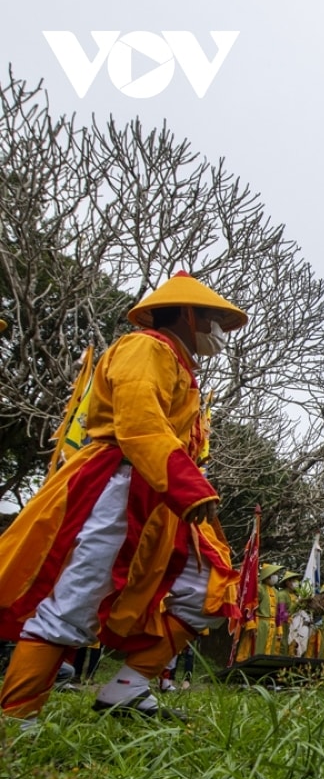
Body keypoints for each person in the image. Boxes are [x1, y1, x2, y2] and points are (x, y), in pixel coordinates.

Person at [0, 271, 245, 722]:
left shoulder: (178, 363)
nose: (218, 332)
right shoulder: (145, 347)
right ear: (190, 316)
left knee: (207, 586)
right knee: (77, 597)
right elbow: (138, 423)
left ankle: (127, 688)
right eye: (212, 319)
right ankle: (18, 718)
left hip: (160, 497)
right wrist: (188, 486)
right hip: (117, 484)